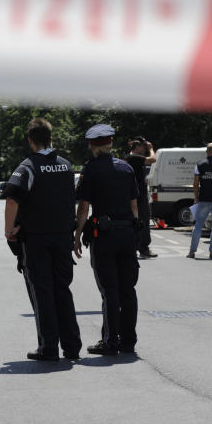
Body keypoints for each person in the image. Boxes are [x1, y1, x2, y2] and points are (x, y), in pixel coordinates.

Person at [4, 118, 82, 361]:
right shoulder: (66, 166)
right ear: (51, 138)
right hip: (62, 238)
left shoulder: (27, 167)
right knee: (63, 290)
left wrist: (9, 230)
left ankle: (49, 347)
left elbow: (12, 199)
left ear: (30, 140)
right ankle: (72, 346)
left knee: (42, 292)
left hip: (36, 239)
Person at [74, 124, 140, 356]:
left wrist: (77, 236)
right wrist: (134, 232)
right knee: (128, 289)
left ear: (93, 146)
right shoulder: (126, 168)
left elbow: (84, 207)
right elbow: (134, 205)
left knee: (110, 290)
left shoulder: (90, 169)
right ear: (110, 144)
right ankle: (128, 341)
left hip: (104, 236)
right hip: (127, 234)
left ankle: (111, 341)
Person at [126, 136, 157, 259]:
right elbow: (153, 159)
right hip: (139, 196)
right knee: (143, 221)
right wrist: (151, 148)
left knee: (138, 221)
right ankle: (143, 248)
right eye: (143, 147)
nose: (145, 149)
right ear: (137, 146)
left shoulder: (133, 158)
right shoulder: (134, 157)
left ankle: (137, 248)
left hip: (137, 194)